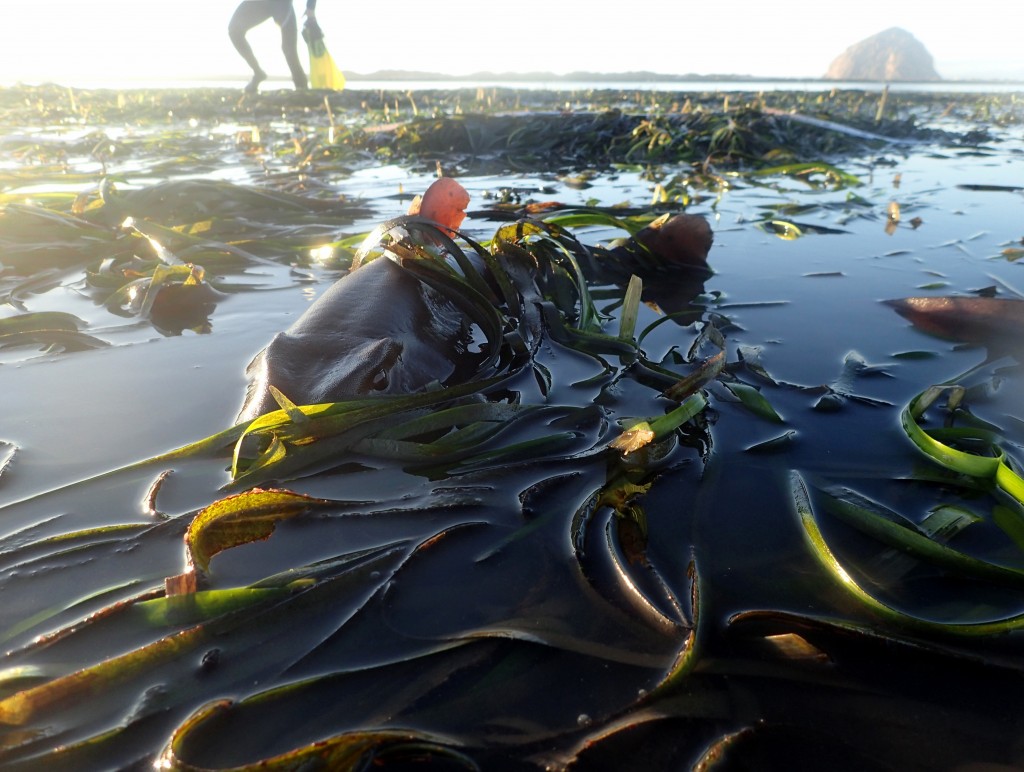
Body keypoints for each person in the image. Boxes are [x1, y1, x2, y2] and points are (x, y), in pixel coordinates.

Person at [229, 1, 318, 94]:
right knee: (234, 31)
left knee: (289, 49)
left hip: (281, 4)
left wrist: (310, 7)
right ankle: (258, 72)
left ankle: (302, 88)